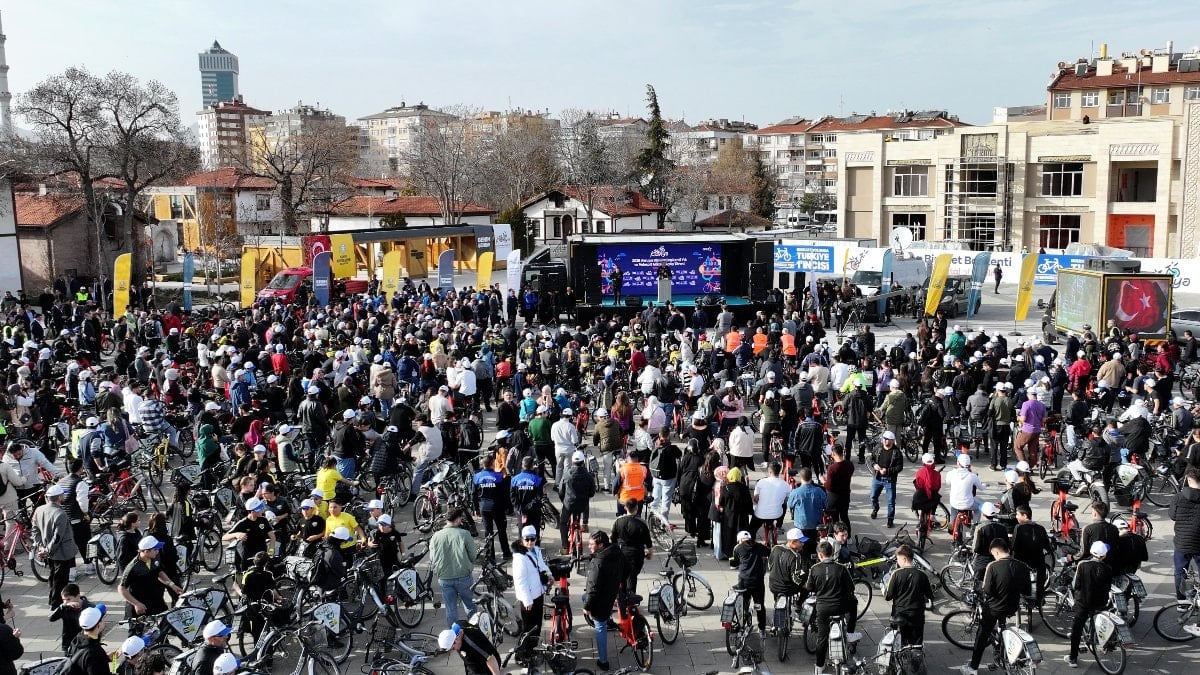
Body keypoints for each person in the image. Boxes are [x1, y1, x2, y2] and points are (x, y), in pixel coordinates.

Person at [956, 538, 1031, 675]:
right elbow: (1027, 591)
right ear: (1008, 550)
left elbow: (988, 590)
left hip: (994, 608)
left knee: (982, 634)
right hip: (1012, 606)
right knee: (1001, 623)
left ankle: (973, 667)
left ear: (996, 552)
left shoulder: (993, 566)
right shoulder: (1023, 566)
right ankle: (1001, 647)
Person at [807, 540, 861, 672]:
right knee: (853, 603)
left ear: (820, 555)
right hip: (840, 606)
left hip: (823, 608)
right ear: (832, 553)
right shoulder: (841, 568)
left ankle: (819, 666)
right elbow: (851, 587)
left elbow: (809, 588)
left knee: (822, 637)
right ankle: (849, 632)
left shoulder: (814, 569)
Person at [1066, 542, 1115, 668]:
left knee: (1076, 629)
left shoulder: (1083, 565)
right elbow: (1108, 586)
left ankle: (1073, 658)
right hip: (1101, 602)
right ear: (1104, 555)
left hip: (1084, 602)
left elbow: (1075, 584)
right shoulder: (1108, 568)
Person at [583, 531, 625, 672]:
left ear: (601, 545)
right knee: (585, 598)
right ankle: (609, 621)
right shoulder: (616, 551)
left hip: (601, 600)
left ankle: (603, 661)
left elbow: (593, 589)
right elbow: (627, 568)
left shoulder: (598, 562)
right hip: (612, 592)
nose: (588, 546)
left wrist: (587, 606)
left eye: (591, 544)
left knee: (599, 627)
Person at [429, 507, 478, 628]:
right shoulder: (465, 534)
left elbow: (432, 558)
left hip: (445, 578)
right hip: (464, 577)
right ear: (457, 519)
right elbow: (473, 555)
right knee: (470, 605)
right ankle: (473, 630)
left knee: (451, 609)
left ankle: (454, 634)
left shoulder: (436, 536)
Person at [33, 483, 78, 608]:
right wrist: (47, 550)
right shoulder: (60, 514)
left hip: (48, 551)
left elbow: (35, 530)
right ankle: (56, 603)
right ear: (59, 497)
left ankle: (51, 598)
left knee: (53, 575)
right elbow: (58, 537)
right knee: (60, 579)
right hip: (61, 553)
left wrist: (41, 547)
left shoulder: (39, 510)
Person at [118, 536, 183, 618]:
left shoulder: (154, 558)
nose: (158, 551)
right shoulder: (133, 568)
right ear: (145, 551)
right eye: (155, 549)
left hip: (156, 601)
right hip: (142, 606)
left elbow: (159, 572)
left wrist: (172, 585)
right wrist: (136, 604)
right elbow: (121, 588)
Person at [883, 544, 934, 646]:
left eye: (898, 559)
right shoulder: (922, 574)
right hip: (917, 614)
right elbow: (930, 595)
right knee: (916, 642)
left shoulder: (896, 574)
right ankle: (916, 656)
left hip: (899, 613)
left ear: (904, 559)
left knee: (898, 639)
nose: (897, 562)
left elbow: (887, 596)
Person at [730, 529, 770, 640]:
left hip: (744, 583)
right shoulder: (759, 546)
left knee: (743, 605)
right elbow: (768, 552)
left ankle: (741, 627)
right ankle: (762, 629)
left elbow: (733, 563)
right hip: (758, 583)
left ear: (739, 540)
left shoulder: (737, 548)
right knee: (759, 606)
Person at [511, 527, 550, 636]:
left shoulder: (536, 550)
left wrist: (549, 574)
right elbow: (520, 580)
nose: (529, 542)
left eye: (532, 539)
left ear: (536, 539)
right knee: (528, 628)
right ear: (521, 540)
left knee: (537, 624)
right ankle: (524, 651)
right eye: (526, 539)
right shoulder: (520, 557)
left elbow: (541, 565)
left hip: (538, 592)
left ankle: (533, 648)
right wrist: (527, 600)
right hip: (528, 597)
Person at [472, 453, 511, 561]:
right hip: (498, 507)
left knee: (488, 531)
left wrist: (475, 509)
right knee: (502, 530)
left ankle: (490, 555)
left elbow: (473, 494)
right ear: (493, 463)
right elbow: (505, 494)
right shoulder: (498, 476)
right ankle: (506, 553)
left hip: (484, 507)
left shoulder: (476, 477)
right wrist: (507, 507)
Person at [1169, 468, 1200, 601]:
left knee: (1180, 573)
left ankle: (1181, 602)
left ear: (1187, 479)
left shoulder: (1178, 497)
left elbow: (1172, 516)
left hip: (1182, 542)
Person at [786, 467, 826, 566]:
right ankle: (813, 561)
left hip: (801, 525)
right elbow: (826, 505)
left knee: (801, 545)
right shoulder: (819, 491)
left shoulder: (796, 492)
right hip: (815, 524)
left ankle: (802, 562)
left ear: (801, 478)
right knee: (812, 543)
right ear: (811, 477)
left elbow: (790, 505)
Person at [1011, 505, 1052, 601]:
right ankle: (1039, 600)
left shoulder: (1018, 528)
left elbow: (1014, 546)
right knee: (1040, 584)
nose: (1016, 517)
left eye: (1017, 514)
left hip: (1023, 564)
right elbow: (1048, 546)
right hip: (1039, 564)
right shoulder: (1041, 528)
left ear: (1024, 516)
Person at [767, 528, 807, 627]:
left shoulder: (775, 548)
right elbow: (795, 578)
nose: (803, 544)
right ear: (793, 542)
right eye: (801, 542)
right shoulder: (795, 556)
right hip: (787, 588)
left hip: (773, 586)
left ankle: (777, 610)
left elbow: (769, 565)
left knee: (777, 598)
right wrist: (804, 584)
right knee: (806, 588)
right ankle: (798, 605)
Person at [611, 499, 652, 594]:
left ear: (625, 508)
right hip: (637, 554)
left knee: (623, 576)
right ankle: (631, 598)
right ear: (637, 508)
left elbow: (613, 539)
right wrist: (650, 553)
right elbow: (648, 542)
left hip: (622, 553)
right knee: (632, 576)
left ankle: (622, 597)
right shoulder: (642, 523)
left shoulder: (618, 522)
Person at [558, 450, 595, 551]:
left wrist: (563, 500)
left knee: (563, 523)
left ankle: (565, 547)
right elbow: (592, 492)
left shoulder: (567, 474)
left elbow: (561, 490)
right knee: (584, 505)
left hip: (569, 504)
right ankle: (584, 524)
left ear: (572, 462)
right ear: (583, 462)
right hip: (583, 504)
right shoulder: (588, 476)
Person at [869, 430, 904, 528]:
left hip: (889, 480)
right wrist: (874, 465)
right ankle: (875, 509)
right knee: (873, 496)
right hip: (877, 478)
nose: (885, 441)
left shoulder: (897, 452)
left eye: (887, 439)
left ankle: (890, 519)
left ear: (892, 441)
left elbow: (899, 467)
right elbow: (871, 458)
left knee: (891, 501)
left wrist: (887, 471)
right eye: (884, 439)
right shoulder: (878, 448)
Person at [751, 461, 790, 541]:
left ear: (769, 472)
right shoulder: (785, 484)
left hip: (760, 515)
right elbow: (786, 500)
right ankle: (779, 525)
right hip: (777, 514)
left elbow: (755, 499)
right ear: (779, 471)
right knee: (784, 505)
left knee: (752, 529)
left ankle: (751, 542)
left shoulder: (761, 482)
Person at [973, 503, 1009, 585]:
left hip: (982, 561)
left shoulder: (980, 527)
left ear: (983, 514)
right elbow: (1006, 544)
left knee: (978, 582)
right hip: (998, 558)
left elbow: (976, 548)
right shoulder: (1002, 527)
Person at [50, 582, 93, 652]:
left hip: (85, 644)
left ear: (78, 596)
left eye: (68, 599)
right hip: (69, 645)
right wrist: (62, 606)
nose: (65, 602)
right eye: (63, 600)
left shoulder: (89, 607)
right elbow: (51, 618)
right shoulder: (64, 607)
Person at [69, 605, 109, 675]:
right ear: (99, 625)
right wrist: (102, 660)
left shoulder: (76, 639)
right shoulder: (95, 653)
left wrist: (106, 658)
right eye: (102, 619)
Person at [823, 444, 854, 533]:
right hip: (845, 495)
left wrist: (823, 481)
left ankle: (835, 535)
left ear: (833, 454)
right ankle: (848, 536)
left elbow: (829, 486)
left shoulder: (832, 468)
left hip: (834, 497)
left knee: (834, 518)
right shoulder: (849, 464)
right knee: (845, 516)